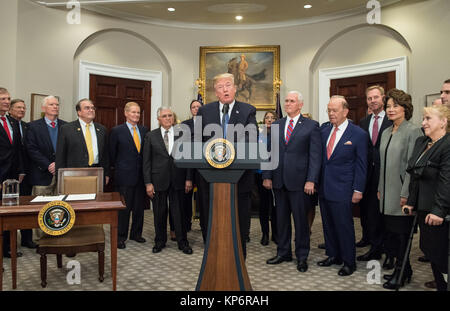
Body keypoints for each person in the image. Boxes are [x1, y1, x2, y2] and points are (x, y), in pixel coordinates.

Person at [196, 72, 257, 258]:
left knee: (239, 224)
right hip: (210, 178)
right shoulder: (204, 111)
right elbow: (197, 140)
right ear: (215, 92)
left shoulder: (248, 110)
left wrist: (228, 148)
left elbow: (251, 138)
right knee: (212, 221)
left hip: (239, 179)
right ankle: (212, 256)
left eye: (228, 85)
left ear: (235, 88)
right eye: (220, 87)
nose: (225, 89)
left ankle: (239, 259)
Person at [263, 91, 321, 273]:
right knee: (281, 220)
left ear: (300, 105)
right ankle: (283, 252)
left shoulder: (311, 126)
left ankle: (302, 256)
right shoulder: (277, 124)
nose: (287, 104)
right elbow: (269, 152)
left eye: (291, 101)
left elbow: (315, 156)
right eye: (286, 101)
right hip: (279, 181)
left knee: (301, 222)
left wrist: (311, 180)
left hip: (300, 182)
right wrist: (266, 175)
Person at [317, 95, 368, 277]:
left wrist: (358, 189)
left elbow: (362, 165)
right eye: (329, 110)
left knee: (344, 226)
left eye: (334, 110)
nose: (331, 113)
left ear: (345, 111)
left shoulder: (358, 134)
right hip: (324, 187)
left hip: (344, 189)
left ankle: (349, 261)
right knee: (328, 224)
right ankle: (333, 255)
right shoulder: (324, 132)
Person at [377, 88, 423, 289]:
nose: (391, 109)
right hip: (386, 193)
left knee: (401, 235)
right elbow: (382, 163)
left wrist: (406, 194)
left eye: (396, 105)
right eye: (388, 106)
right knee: (392, 235)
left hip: (401, 194)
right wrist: (380, 188)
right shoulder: (387, 131)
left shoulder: (412, 131)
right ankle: (405, 269)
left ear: (405, 108)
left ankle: (400, 272)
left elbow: (412, 167)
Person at [403, 105, 450, 291]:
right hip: (423, 207)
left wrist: (438, 210)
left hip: (438, 211)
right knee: (429, 248)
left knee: (440, 253)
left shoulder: (447, 145)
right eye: (423, 118)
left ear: (443, 121)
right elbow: (416, 175)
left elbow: (447, 181)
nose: (423, 123)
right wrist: (411, 202)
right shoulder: (422, 142)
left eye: (428, 118)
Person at [143, 107, 193, 255]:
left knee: (179, 213)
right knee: (159, 212)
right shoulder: (150, 136)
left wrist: (189, 178)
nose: (167, 118)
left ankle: (182, 242)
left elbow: (188, 158)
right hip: (158, 180)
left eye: (170, 115)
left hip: (179, 179)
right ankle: (159, 241)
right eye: (164, 116)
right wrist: (148, 183)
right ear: (158, 119)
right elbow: (146, 162)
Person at [357, 86, 393, 267]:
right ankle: (375, 247)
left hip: (387, 175)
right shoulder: (364, 122)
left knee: (387, 215)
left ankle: (389, 251)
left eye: (376, 97)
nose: (373, 101)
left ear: (383, 98)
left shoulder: (392, 119)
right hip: (368, 176)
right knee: (371, 214)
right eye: (369, 98)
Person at [109, 102, 148, 249]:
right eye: (133, 112)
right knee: (124, 208)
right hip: (124, 176)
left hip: (141, 176)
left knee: (139, 207)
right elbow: (112, 154)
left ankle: (136, 234)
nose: (136, 115)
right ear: (126, 113)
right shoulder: (117, 131)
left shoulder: (144, 130)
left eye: (138, 112)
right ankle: (120, 237)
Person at [55, 99, 110, 184]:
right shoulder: (67, 129)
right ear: (79, 112)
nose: (91, 110)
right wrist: (59, 177)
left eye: (92, 108)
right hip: (74, 175)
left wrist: (106, 174)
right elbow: (60, 156)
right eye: (87, 108)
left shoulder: (101, 129)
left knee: (97, 197)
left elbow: (106, 154)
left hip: (97, 173)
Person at [8, 99, 36, 249]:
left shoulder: (27, 126)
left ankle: (27, 239)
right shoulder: (7, 125)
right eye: (18, 107)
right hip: (11, 173)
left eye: (23, 108)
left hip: (27, 173)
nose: (22, 110)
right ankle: (9, 243)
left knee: (27, 206)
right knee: (11, 209)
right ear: (10, 110)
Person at [0, 87, 24, 258]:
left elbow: (17, 149)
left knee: (10, 212)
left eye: (8, 98)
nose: (7, 102)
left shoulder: (13, 122)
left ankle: (8, 248)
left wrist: (21, 170)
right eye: (3, 99)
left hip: (12, 176)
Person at [27, 96, 67, 195]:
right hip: (41, 175)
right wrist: (48, 165)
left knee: (62, 208)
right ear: (43, 108)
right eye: (51, 104)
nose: (55, 107)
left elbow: (69, 149)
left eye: (57, 105)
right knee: (40, 209)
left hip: (62, 175)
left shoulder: (66, 126)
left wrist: (58, 163)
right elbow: (31, 149)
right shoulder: (33, 126)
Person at [255, 110, 277, 246]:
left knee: (275, 206)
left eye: (272, 118)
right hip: (259, 173)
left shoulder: (279, 134)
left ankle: (276, 234)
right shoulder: (259, 134)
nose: (269, 120)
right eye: (267, 118)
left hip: (275, 174)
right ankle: (265, 234)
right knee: (263, 205)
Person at [181, 100, 203, 233]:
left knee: (203, 197)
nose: (196, 109)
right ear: (190, 110)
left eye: (198, 107)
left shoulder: (210, 125)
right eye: (193, 107)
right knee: (186, 197)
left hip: (203, 166)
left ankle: (204, 224)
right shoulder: (184, 125)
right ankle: (186, 224)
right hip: (187, 165)